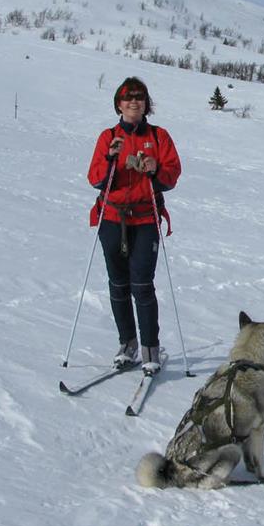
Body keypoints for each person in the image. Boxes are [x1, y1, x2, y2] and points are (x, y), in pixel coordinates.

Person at [86, 77, 182, 375]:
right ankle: (127, 344)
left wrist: (155, 169)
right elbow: (95, 178)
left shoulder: (158, 135)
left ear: (146, 104)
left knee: (141, 283)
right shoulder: (108, 136)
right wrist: (112, 159)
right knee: (118, 284)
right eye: (128, 98)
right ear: (119, 103)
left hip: (145, 218)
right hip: (113, 217)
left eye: (139, 97)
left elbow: (172, 174)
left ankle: (149, 349)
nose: (134, 102)